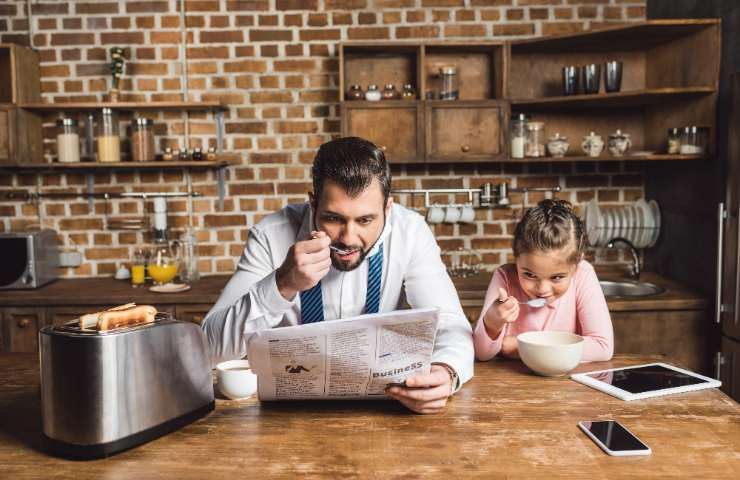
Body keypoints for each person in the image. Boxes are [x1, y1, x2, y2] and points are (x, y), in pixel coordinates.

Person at [202, 136, 474, 414]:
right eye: (334, 218)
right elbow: (208, 348)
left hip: (387, 411)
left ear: (387, 209)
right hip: (286, 416)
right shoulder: (271, 235)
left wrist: (446, 372)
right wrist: (281, 285)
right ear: (312, 202)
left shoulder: (411, 232)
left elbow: (452, 325)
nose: (348, 238)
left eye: (365, 220)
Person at [473, 199, 614, 362]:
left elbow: (603, 347)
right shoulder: (504, 277)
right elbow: (482, 354)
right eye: (530, 275)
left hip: (568, 385)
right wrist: (492, 322)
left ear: (575, 266)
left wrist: (522, 346)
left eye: (557, 277)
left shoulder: (583, 274)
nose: (542, 289)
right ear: (517, 259)